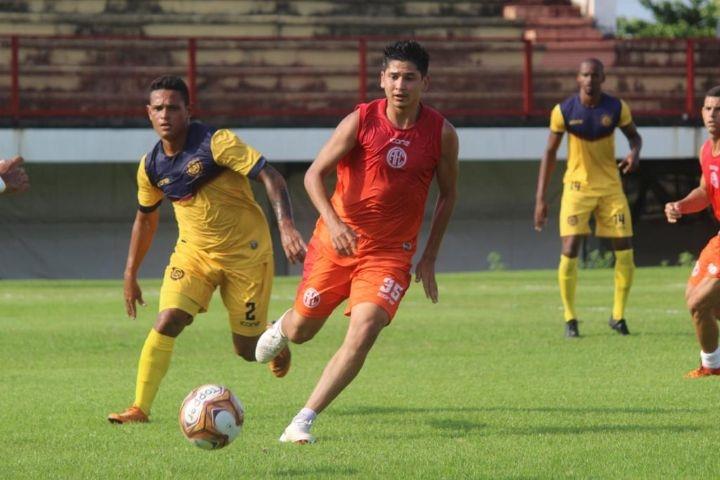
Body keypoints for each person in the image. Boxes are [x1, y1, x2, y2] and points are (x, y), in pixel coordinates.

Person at [254, 40, 459, 444]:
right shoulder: (361, 120)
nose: (401, 85)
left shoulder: (442, 133)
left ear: (425, 83)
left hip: (390, 255)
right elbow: (314, 175)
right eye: (394, 76)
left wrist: (429, 255)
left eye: (410, 78)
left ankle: (303, 420)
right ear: (382, 80)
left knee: (365, 328)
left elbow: (448, 194)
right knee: (303, 331)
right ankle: (282, 328)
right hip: (337, 243)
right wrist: (333, 223)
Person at [108, 75, 307, 424]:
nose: (165, 114)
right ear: (148, 113)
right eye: (158, 108)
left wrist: (286, 226)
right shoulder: (151, 166)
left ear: (188, 111)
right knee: (168, 319)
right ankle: (139, 408)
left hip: (246, 254)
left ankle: (274, 333)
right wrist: (130, 273)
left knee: (248, 351)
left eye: (173, 107)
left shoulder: (217, 143)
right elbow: (145, 220)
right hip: (194, 255)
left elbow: (272, 177)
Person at [534, 58, 642, 338]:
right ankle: (570, 318)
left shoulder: (616, 108)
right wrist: (540, 199)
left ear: (603, 77)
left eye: (595, 74)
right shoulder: (564, 111)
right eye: (585, 75)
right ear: (578, 79)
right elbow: (549, 153)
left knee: (625, 248)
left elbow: (635, 137)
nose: (590, 79)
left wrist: (634, 153)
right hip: (577, 188)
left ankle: (618, 315)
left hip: (610, 188)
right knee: (569, 248)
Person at [665, 86, 720, 377]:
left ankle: (713, 366)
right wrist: (680, 205)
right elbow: (704, 191)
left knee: (701, 302)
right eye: (709, 108)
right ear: (701, 112)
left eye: (719, 109)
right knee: (695, 299)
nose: (713, 114)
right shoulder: (707, 150)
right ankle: (712, 366)